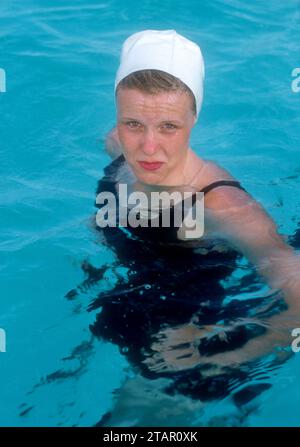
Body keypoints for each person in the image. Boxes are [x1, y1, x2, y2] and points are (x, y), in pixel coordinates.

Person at [73, 30, 300, 424]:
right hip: (133, 303)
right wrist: (103, 222)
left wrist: (221, 348)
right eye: (132, 123)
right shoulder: (118, 148)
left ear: (194, 119)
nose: (147, 147)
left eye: (168, 127)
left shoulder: (222, 205)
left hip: (189, 339)